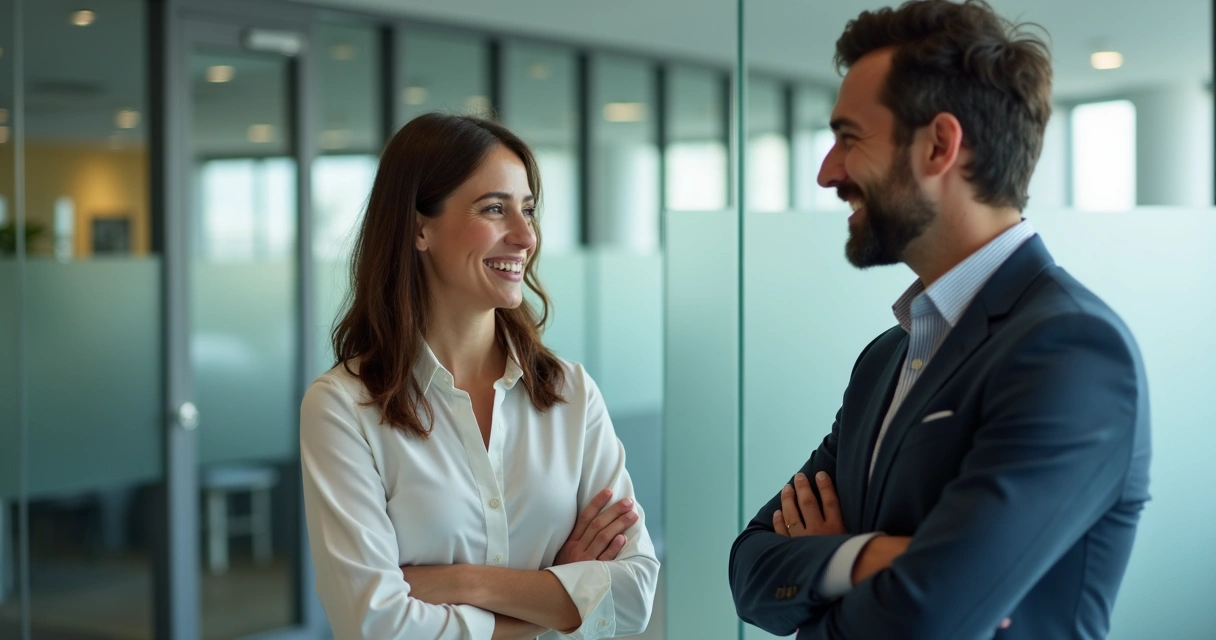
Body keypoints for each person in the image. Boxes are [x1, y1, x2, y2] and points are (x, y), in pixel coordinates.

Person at [728, 1, 1151, 638]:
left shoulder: (1071, 350)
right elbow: (752, 570)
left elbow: (927, 618)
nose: (826, 173)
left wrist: (831, 572)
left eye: (849, 137)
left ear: (938, 145)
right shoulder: (884, 360)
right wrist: (872, 556)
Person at [301, 113, 658, 640]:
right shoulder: (343, 407)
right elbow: (377, 626)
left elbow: (632, 599)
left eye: (528, 210)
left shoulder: (570, 393)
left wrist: (461, 582)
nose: (524, 236)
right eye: (494, 208)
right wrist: (553, 598)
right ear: (418, 227)